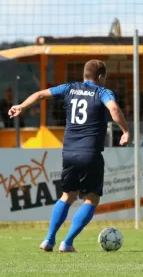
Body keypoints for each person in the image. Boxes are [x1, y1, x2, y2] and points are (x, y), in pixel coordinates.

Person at [8, 59, 130, 253]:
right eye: (104, 77)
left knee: (67, 195)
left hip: (69, 152)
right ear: (100, 76)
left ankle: (48, 240)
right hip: (90, 153)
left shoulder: (70, 88)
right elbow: (114, 109)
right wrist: (125, 131)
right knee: (92, 198)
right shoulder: (102, 92)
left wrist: (21, 106)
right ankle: (67, 242)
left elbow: (40, 94)